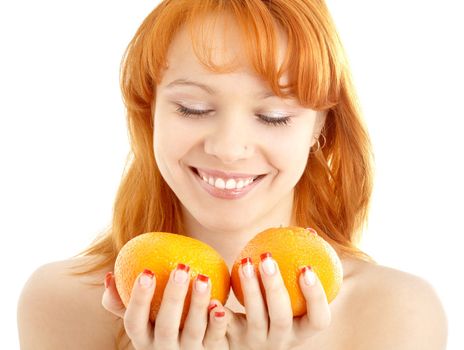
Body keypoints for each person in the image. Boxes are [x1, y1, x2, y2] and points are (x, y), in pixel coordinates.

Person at [17, 0, 448, 349]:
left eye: (274, 115)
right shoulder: (62, 302)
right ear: (150, 113)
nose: (228, 147)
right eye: (193, 108)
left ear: (320, 127)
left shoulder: (396, 312)